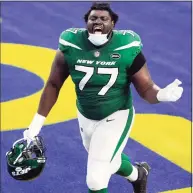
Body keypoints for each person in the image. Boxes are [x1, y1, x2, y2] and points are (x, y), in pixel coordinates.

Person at [22, 2, 183, 193]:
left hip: (117, 114)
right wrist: (35, 125)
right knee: (109, 159)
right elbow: (53, 84)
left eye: (104, 18)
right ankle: (138, 174)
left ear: (113, 23)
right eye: (93, 18)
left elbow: (146, 87)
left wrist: (161, 94)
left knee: (96, 179)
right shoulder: (71, 43)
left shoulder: (127, 46)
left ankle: (136, 175)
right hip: (85, 114)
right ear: (86, 22)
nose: (98, 22)